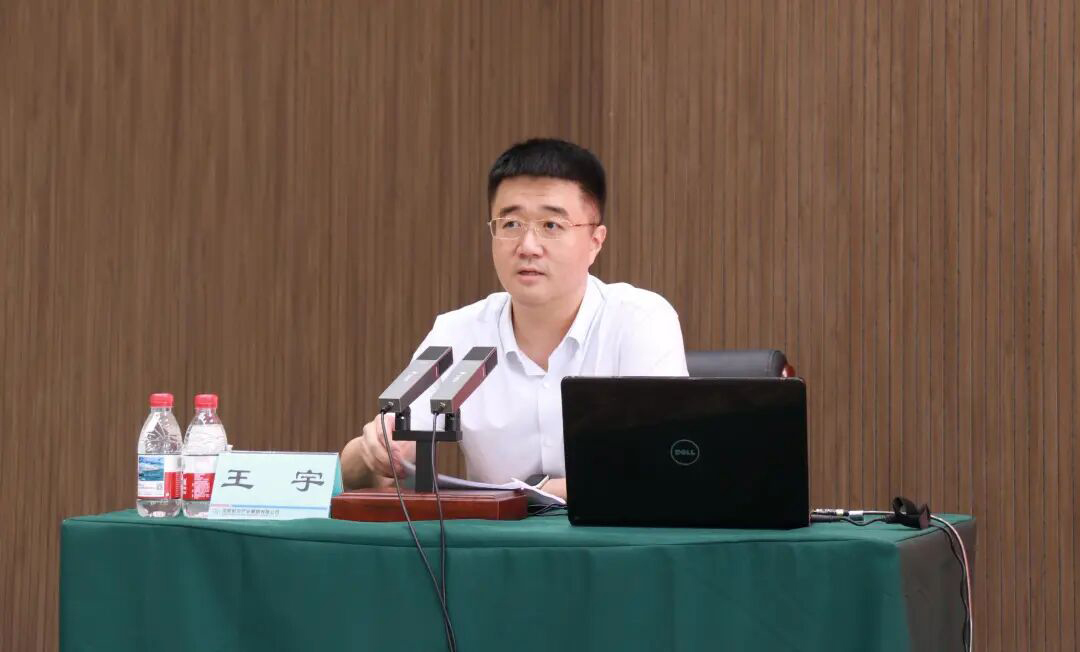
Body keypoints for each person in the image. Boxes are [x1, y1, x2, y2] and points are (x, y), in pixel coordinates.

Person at [341, 138, 687, 499]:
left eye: (551, 225)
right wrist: (373, 452)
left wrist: (528, 494)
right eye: (510, 224)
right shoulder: (458, 333)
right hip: (494, 535)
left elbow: (664, 467)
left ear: (595, 242)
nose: (528, 246)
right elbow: (362, 474)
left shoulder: (640, 322)